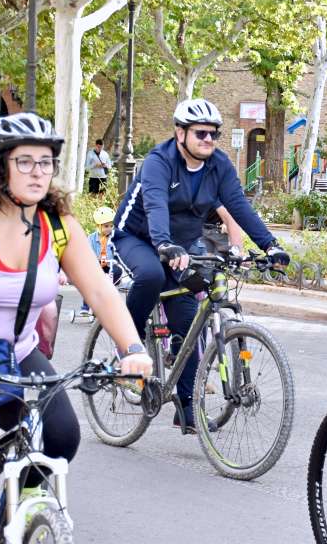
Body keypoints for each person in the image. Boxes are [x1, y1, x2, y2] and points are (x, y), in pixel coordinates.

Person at [0, 113, 153, 544]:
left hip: (14, 353)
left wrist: (132, 348)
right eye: (25, 162)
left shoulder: (57, 226)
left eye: (46, 162)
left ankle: (15, 517)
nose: (38, 173)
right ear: (0, 166)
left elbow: (100, 291)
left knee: (60, 436)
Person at [112, 98, 289, 433]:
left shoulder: (218, 165)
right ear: (181, 133)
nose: (209, 139)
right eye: (201, 133)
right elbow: (154, 205)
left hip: (180, 246)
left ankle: (187, 408)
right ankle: (129, 347)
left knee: (188, 323)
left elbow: (238, 205)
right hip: (137, 237)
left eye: (215, 134)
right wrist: (164, 243)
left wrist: (270, 245)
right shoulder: (159, 162)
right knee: (150, 275)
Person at [79, 206, 118, 318]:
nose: (109, 229)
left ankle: (107, 305)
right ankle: (86, 306)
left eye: (111, 226)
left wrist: (116, 260)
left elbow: (118, 251)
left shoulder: (114, 238)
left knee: (114, 277)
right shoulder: (92, 238)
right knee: (90, 284)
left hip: (110, 265)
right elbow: (87, 252)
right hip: (96, 265)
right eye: (106, 226)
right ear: (98, 226)